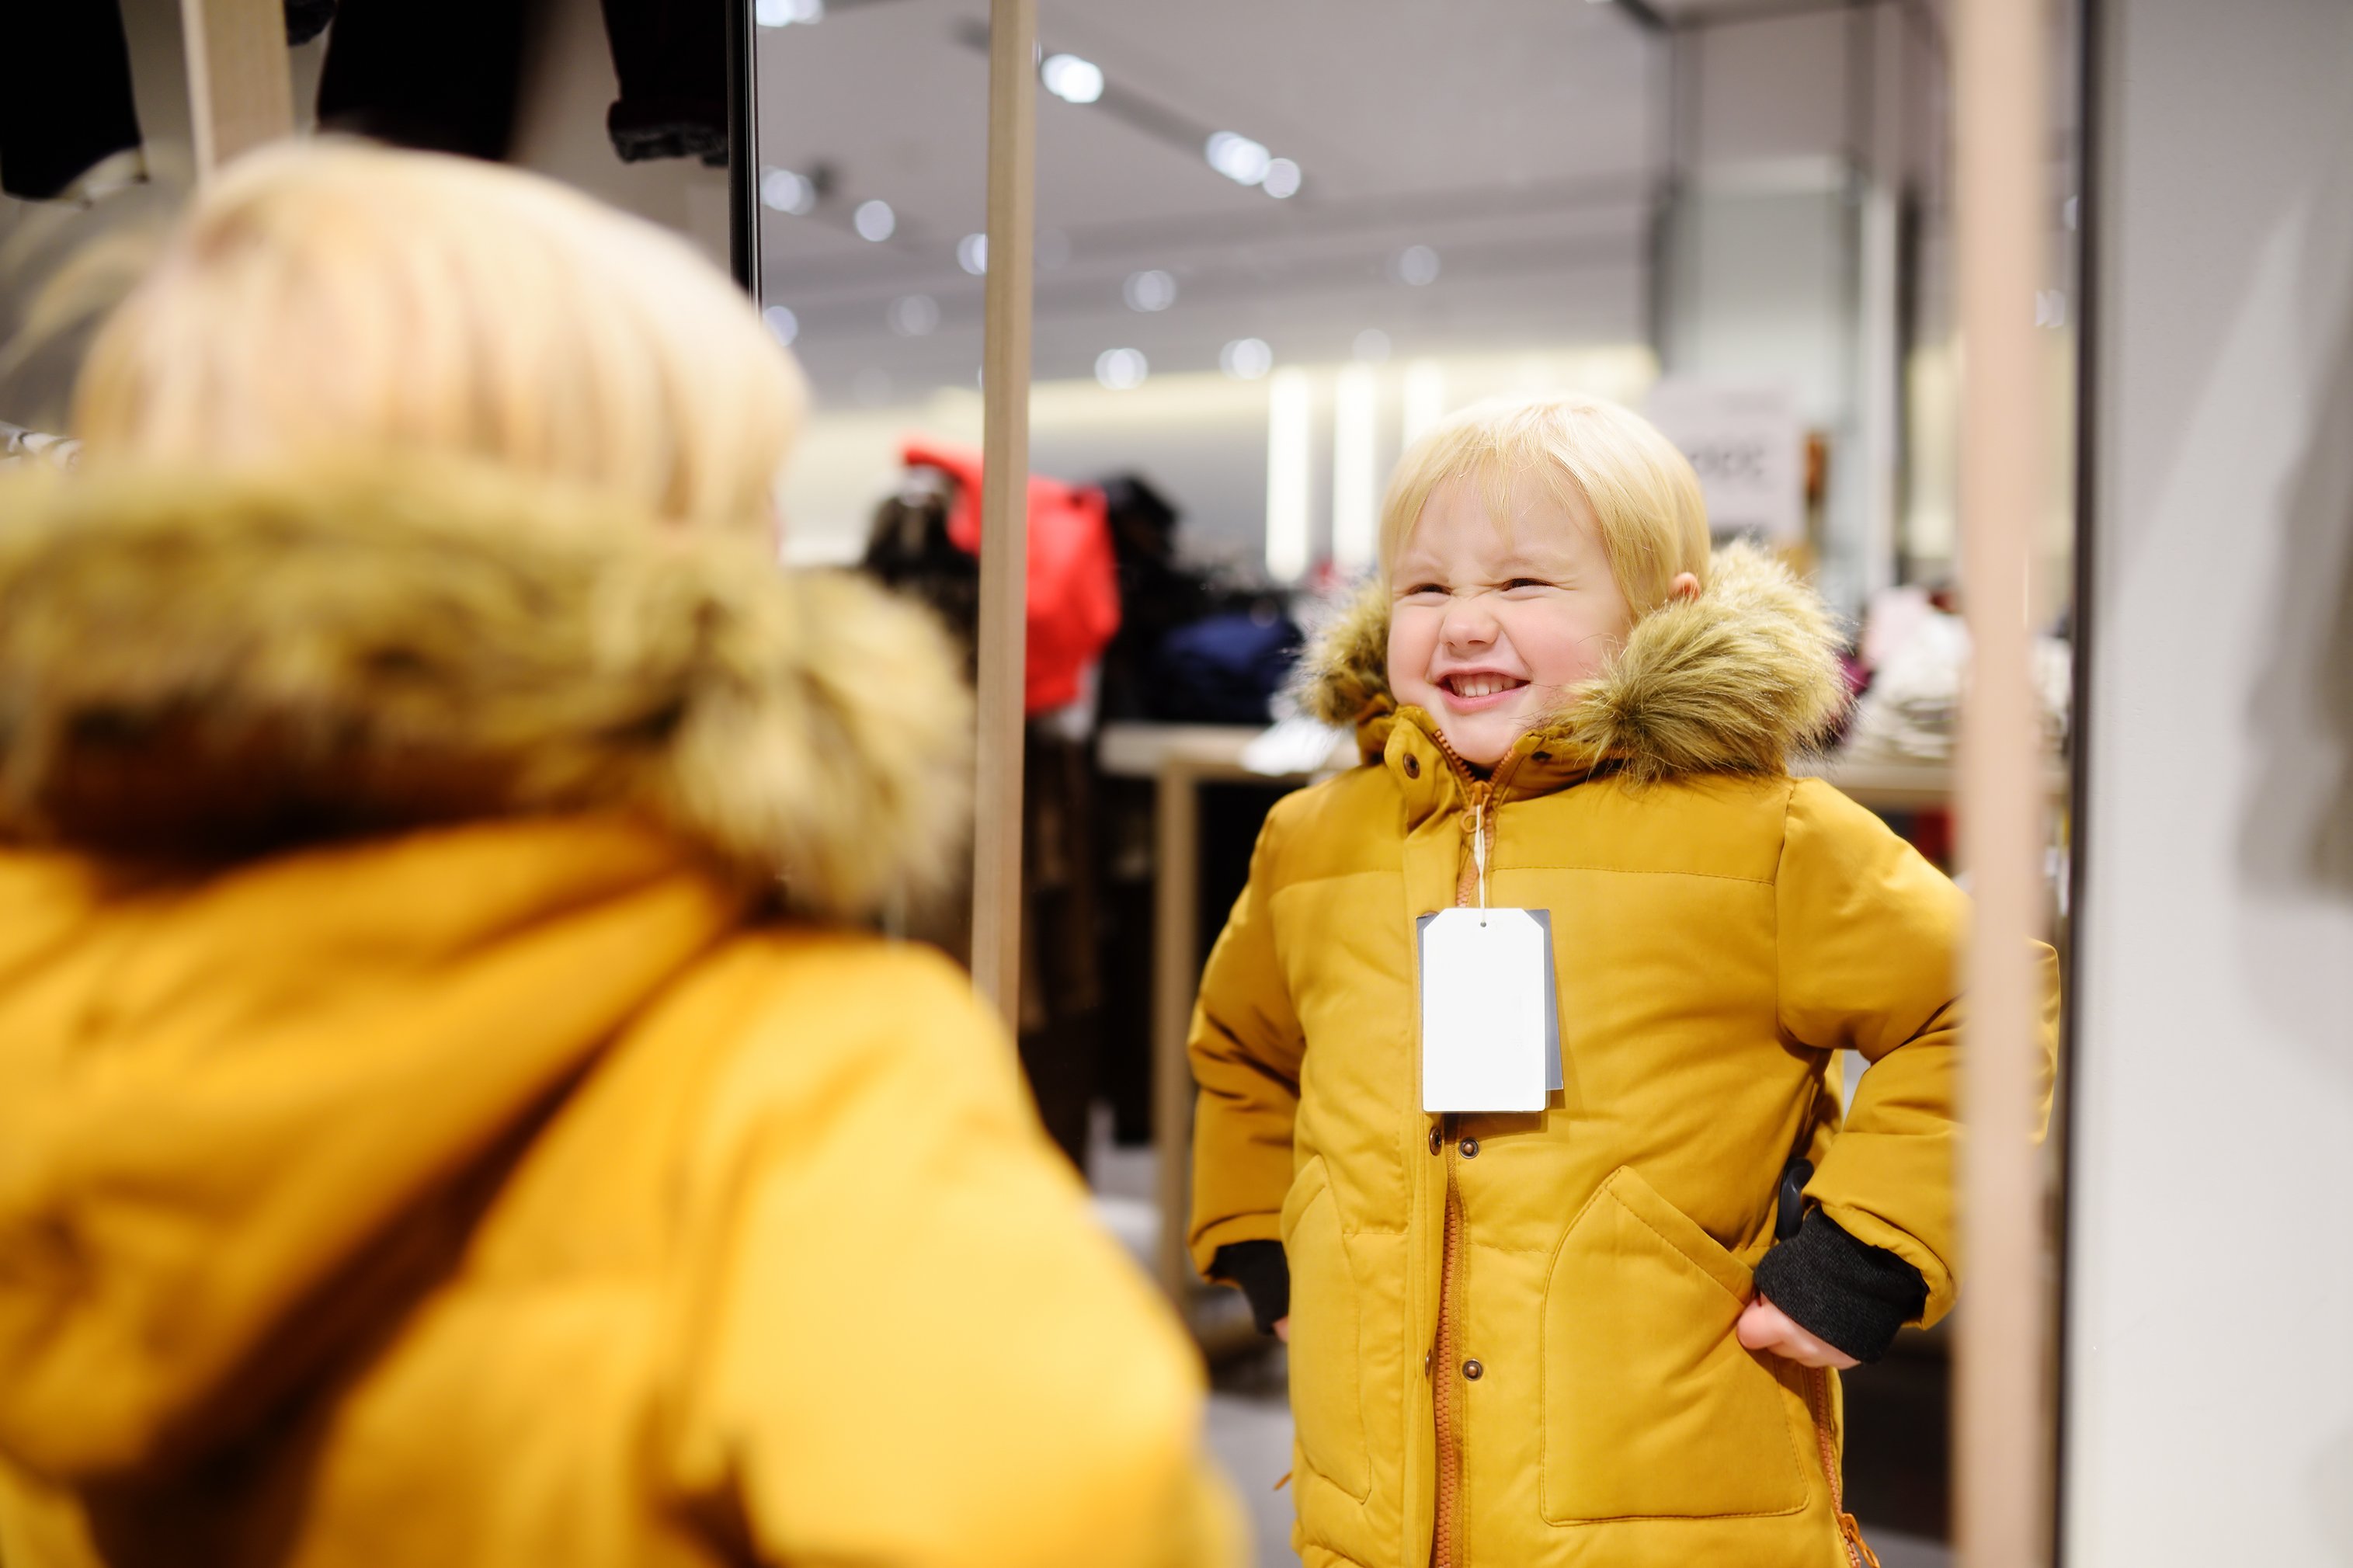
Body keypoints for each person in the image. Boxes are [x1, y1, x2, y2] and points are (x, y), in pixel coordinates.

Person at [0, 142, 1239, 1568]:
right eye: (745, 494)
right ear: (651, 560)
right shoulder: (800, 1077)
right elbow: (1065, 1517)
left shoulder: (42, 997)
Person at [1187, 394, 2056, 1568]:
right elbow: (1243, 1048)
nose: (1465, 624)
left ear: (1663, 609)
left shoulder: (1763, 836)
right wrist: (1261, 1233)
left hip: (1677, 1497)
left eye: (1524, 584)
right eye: (1426, 586)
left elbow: (1979, 1005)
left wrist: (1866, 1256)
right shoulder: (1314, 840)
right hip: (1374, 1511)